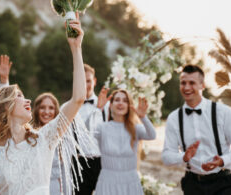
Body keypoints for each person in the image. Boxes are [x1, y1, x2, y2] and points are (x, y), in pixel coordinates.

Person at [0, 13, 86, 195]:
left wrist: (76, 48)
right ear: (4, 108)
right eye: (19, 96)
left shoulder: (44, 139)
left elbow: (78, 98)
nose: (28, 100)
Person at [162, 65, 231, 195]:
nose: (186, 87)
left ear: (202, 85)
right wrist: (184, 157)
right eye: (183, 83)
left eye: (192, 83)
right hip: (192, 185)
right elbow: (166, 156)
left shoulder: (223, 112)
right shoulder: (174, 118)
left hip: (223, 183)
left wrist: (222, 160)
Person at [91, 88, 156, 195]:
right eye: (117, 100)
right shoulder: (103, 128)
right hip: (107, 181)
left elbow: (152, 135)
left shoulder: (135, 128)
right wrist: (98, 109)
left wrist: (143, 117)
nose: (120, 103)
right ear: (110, 105)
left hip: (130, 182)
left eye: (125, 101)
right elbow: (89, 133)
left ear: (129, 106)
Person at [70, 64, 108, 195]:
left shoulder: (107, 106)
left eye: (88, 81)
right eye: (81, 81)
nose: (85, 85)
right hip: (78, 162)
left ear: (95, 81)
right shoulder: (67, 107)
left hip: (103, 162)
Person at [32, 93, 71, 195]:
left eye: (51, 108)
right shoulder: (28, 135)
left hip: (55, 188)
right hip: (34, 187)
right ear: (36, 109)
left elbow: (65, 172)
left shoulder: (62, 137)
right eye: (42, 108)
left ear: (56, 111)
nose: (47, 112)